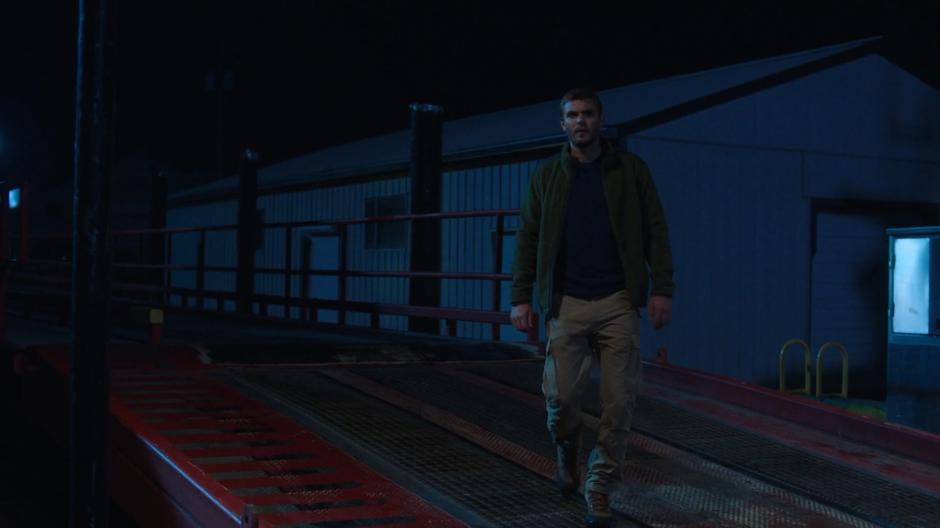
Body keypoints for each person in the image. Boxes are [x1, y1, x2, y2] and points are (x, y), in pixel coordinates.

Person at [509, 88, 674, 527]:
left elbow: (656, 229)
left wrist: (662, 288)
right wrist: (520, 297)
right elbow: (528, 237)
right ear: (562, 124)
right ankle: (566, 450)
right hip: (566, 303)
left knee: (619, 402)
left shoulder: (631, 171)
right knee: (561, 400)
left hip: (619, 301)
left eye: (587, 114)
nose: (580, 121)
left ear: (601, 120)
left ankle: (598, 485)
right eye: (572, 115)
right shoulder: (547, 176)